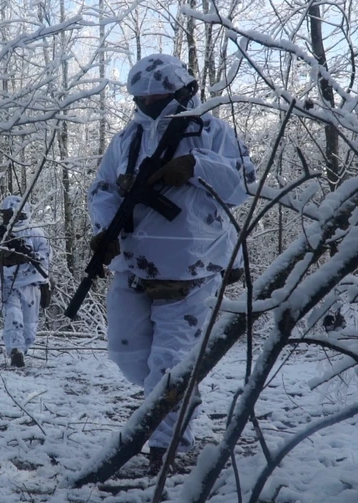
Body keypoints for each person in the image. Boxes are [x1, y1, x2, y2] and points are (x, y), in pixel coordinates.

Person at [87, 54, 257, 474]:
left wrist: (197, 164)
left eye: (157, 96)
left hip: (192, 265)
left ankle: (165, 448)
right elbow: (104, 189)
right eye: (140, 98)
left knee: (169, 363)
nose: (148, 104)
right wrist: (105, 230)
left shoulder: (211, 131)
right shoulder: (127, 139)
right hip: (133, 264)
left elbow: (244, 182)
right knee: (126, 352)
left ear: (180, 91)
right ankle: (178, 396)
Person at [0, 195, 52, 368]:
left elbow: (46, 255)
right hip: (9, 283)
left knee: (29, 325)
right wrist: (2, 246)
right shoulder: (2, 233)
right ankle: (16, 350)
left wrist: (31, 255)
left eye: (9, 214)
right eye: (4, 214)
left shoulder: (35, 232)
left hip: (31, 283)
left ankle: (24, 348)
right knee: (13, 316)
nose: (6, 217)